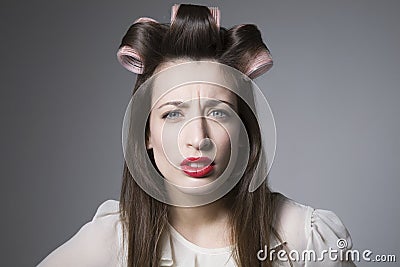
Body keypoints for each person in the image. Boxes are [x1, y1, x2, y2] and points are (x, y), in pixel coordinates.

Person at [37, 4, 355, 267]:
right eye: (173, 113)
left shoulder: (305, 238)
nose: (197, 138)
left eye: (218, 112)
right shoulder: (113, 242)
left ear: (244, 131)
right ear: (145, 133)